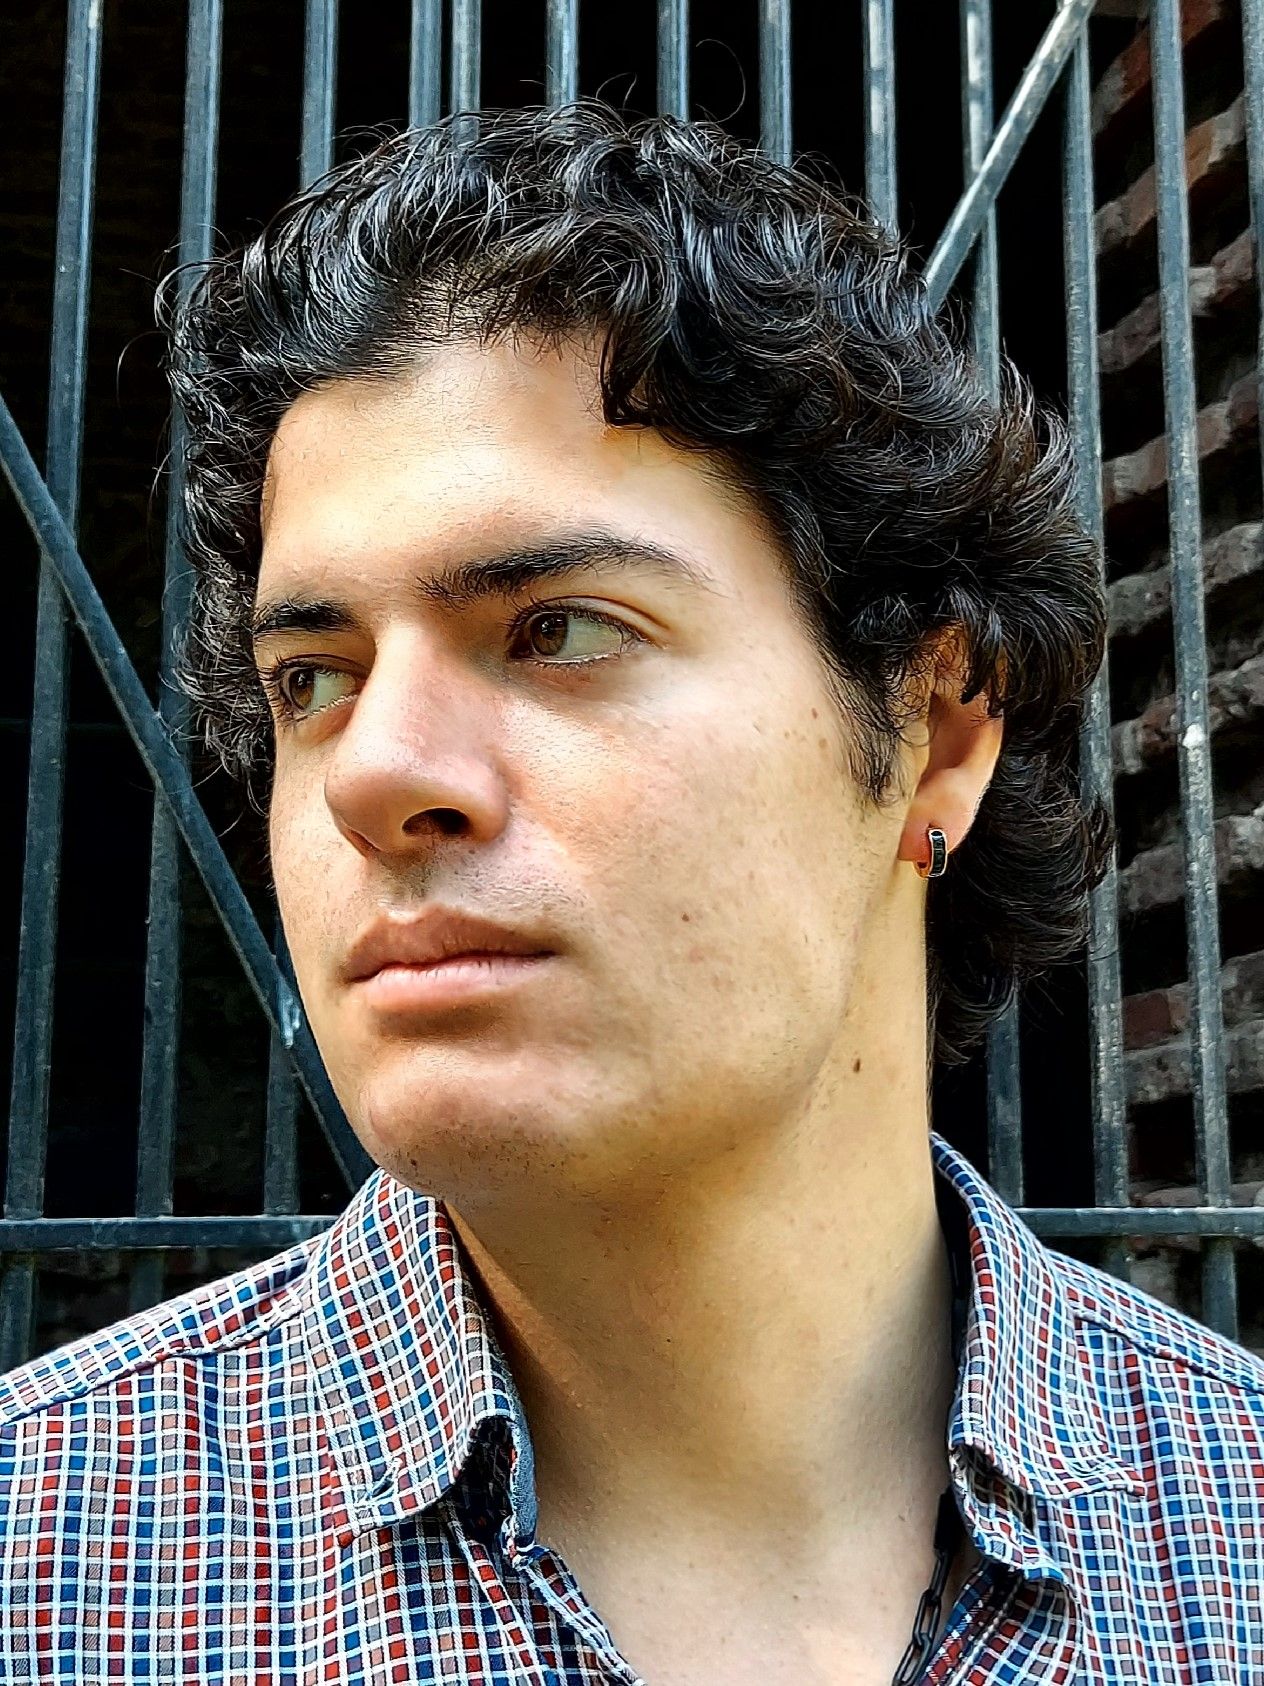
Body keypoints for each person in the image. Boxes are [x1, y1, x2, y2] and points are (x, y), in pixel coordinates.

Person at [2, 101, 1261, 1686]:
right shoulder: (45, 1557)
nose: (371, 770)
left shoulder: (1234, 1524)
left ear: (936, 729)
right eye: (314, 674)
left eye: (560, 630)